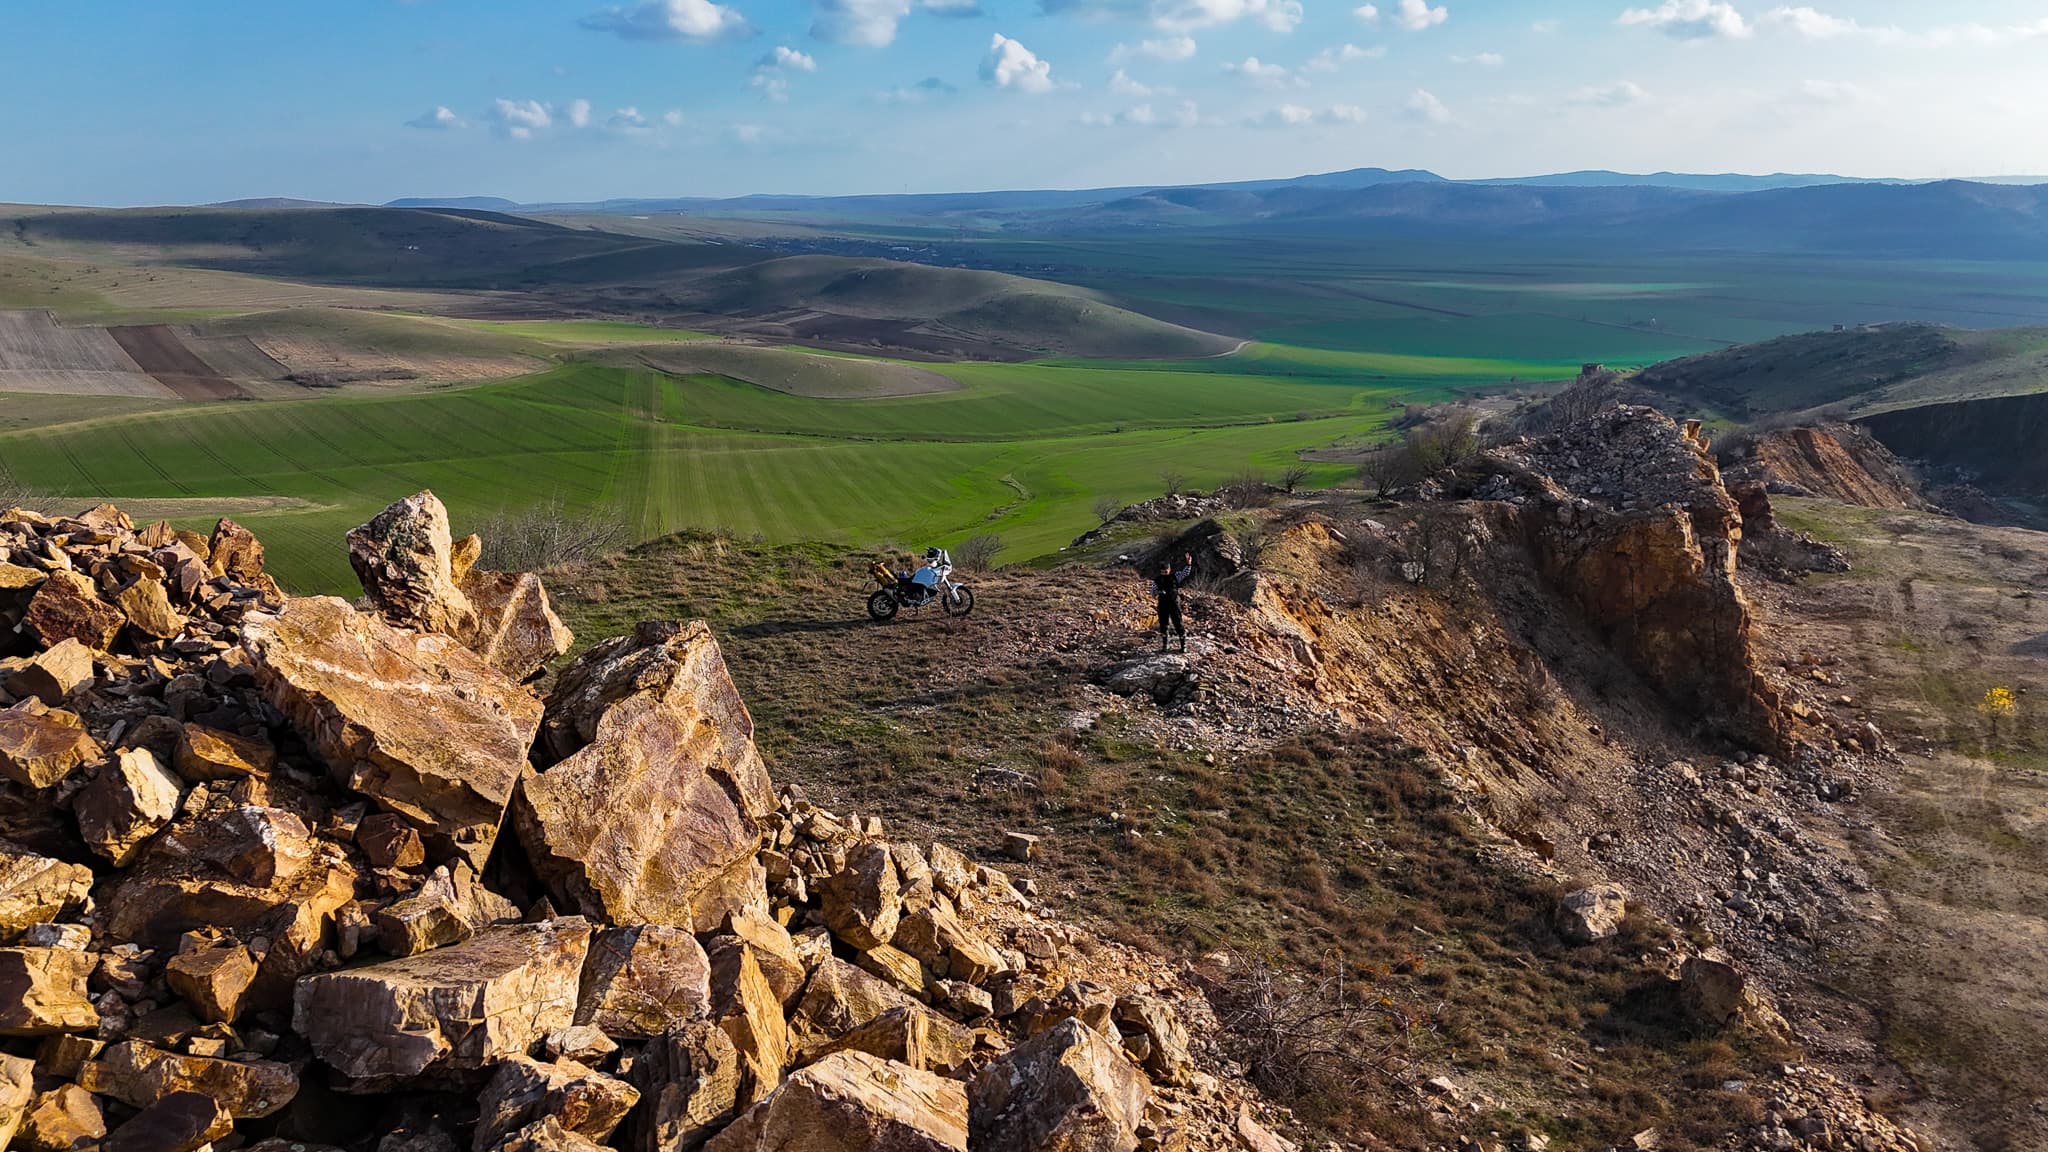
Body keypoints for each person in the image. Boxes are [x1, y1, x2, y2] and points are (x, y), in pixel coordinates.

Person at [1151, 551, 1194, 652]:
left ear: (1169, 569)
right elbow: (1152, 594)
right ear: (1160, 571)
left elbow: (1185, 573)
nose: (1165, 573)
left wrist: (1188, 564)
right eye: (1163, 571)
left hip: (1174, 603)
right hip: (1162, 604)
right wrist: (1158, 592)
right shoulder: (1156, 580)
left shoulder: (1175, 576)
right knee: (1163, 625)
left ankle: (1183, 645)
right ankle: (1165, 644)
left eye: (1166, 571)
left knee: (1178, 623)